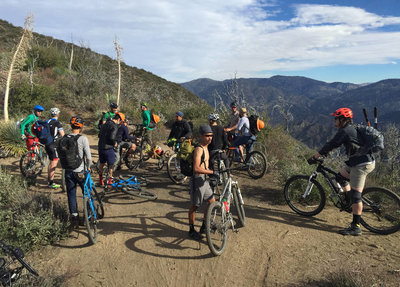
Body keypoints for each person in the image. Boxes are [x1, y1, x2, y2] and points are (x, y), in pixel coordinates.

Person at [312, 108, 375, 236]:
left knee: (356, 195)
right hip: (357, 161)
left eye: (336, 118)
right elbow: (335, 145)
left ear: (342, 119)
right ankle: (348, 200)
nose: (334, 121)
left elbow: (331, 144)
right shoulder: (352, 128)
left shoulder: (345, 131)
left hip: (361, 165)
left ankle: (356, 226)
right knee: (339, 177)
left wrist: (316, 157)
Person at [188, 125, 218, 240]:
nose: (210, 138)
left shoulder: (207, 147)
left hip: (204, 180)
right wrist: (211, 172)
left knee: (211, 201)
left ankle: (204, 226)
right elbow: (196, 168)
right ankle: (191, 230)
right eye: (207, 136)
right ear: (201, 136)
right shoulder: (199, 149)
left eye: (211, 136)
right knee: (195, 206)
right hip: (197, 179)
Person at [64, 116, 92, 227]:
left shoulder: (65, 138)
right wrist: (89, 167)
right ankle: (87, 216)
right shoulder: (83, 139)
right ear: (81, 126)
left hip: (68, 171)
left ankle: (74, 218)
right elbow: (89, 157)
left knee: (71, 194)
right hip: (80, 171)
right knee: (87, 193)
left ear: (71, 126)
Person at [98, 113, 121, 186]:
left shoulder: (104, 125)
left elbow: (99, 135)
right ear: (118, 120)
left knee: (101, 164)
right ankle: (109, 182)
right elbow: (112, 137)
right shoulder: (114, 126)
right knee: (110, 166)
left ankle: (100, 180)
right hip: (108, 148)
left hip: (101, 147)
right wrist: (115, 142)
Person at [46, 107, 65, 189]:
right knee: (54, 163)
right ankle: (51, 183)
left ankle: (49, 180)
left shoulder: (47, 122)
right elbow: (62, 134)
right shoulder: (58, 123)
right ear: (58, 114)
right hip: (53, 145)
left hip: (47, 144)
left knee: (50, 162)